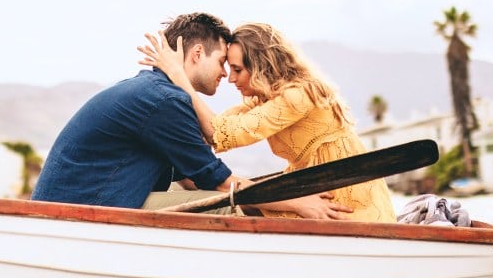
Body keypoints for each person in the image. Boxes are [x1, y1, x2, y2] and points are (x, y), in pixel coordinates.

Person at [31, 12, 351, 219]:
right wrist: (298, 202)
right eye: (223, 62)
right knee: (229, 208)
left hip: (75, 209)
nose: (225, 73)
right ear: (197, 54)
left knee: (227, 199)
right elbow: (222, 183)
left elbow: (191, 178)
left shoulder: (152, 92)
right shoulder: (164, 101)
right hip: (85, 215)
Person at [137, 22, 395, 222]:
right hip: (311, 184)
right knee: (244, 205)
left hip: (342, 189)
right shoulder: (264, 100)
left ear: (261, 67)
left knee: (247, 208)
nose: (230, 78)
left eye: (237, 69)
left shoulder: (297, 96)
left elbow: (220, 131)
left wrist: (178, 75)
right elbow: (215, 129)